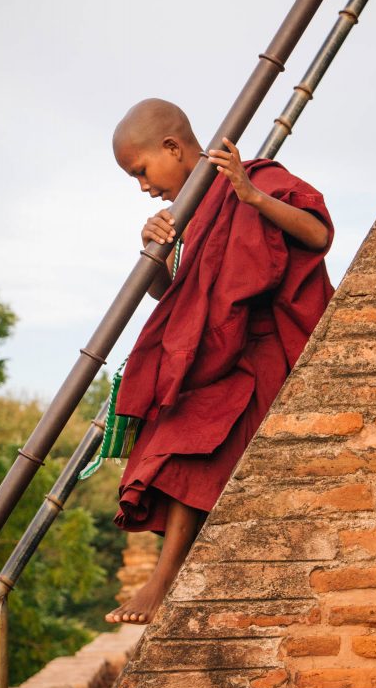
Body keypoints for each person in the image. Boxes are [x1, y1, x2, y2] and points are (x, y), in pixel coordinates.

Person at [105, 98, 333, 625]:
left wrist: (251, 196)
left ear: (172, 147)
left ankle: (161, 583)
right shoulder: (183, 216)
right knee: (177, 431)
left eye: (141, 170)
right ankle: (165, 579)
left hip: (266, 346)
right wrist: (154, 253)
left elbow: (317, 234)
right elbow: (178, 298)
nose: (143, 185)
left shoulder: (253, 178)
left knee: (187, 431)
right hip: (217, 355)